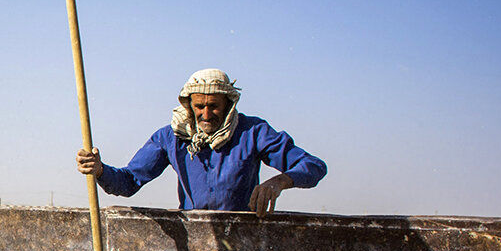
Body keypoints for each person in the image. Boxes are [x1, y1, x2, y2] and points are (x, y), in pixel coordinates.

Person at [76, 69, 325, 216]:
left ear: (228, 105)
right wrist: (99, 169)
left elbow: (313, 166)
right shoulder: (170, 137)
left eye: (214, 106)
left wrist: (278, 182)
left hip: (243, 236)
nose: (206, 114)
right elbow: (129, 182)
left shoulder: (253, 132)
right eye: (199, 106)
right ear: (189, 105)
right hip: (196, 237)